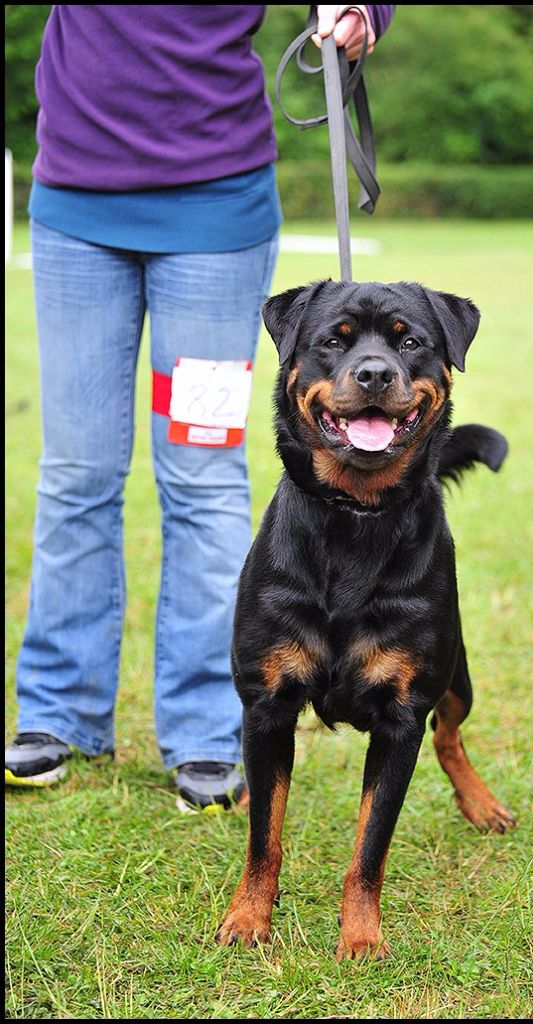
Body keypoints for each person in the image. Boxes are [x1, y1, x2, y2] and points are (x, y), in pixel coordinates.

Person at [5, 5, 395, 811]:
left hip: (214, 222)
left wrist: (363, 9)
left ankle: (210, 728)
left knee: (202, 477)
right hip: (76, 208)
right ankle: (57, 713)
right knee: (76, 470)